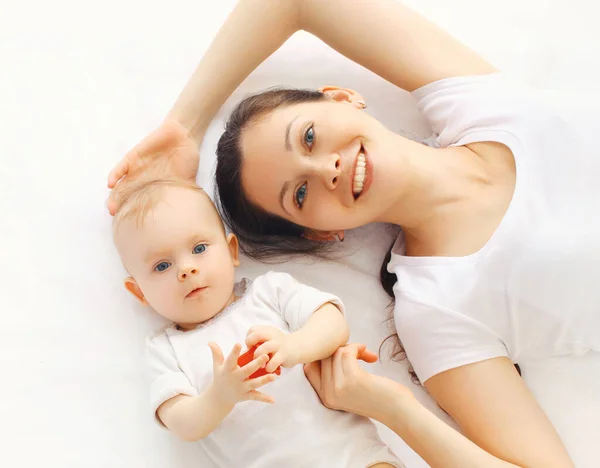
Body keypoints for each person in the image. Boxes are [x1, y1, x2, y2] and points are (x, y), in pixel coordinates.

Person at [107, 1, 599, 466]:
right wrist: (394, 408)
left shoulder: (477, 102)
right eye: (300, 195)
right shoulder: (437, 308)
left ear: (342, 98)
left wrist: (186, 126)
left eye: (309, 137)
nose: (327, 169)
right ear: (321, 234)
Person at [112, 177, 404, 468]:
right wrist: (219, 396)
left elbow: (333, 323)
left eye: (199, 248)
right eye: (162, 266)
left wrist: (293, 347)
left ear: (231, 251)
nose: (187, 269)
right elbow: (182, 423)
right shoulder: (167, 349)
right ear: (139, 291)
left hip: (355, 456)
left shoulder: (268, 292)